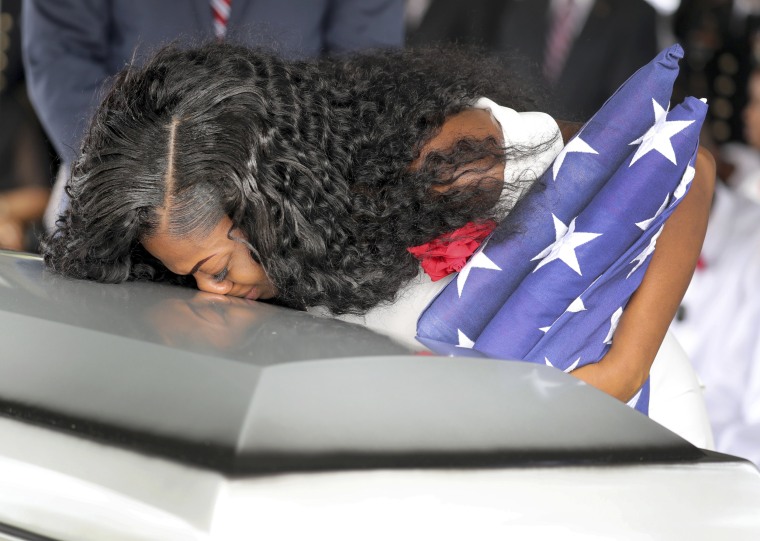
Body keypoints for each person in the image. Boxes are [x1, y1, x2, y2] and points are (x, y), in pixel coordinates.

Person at [42, 42, 715, 426]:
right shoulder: (266, 262)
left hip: (626, 405)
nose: (209, 293)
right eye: (185, 275)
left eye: (217, 264)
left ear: (275, 204)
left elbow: (688, 162)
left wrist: (623, 367)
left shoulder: (444, 164)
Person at [22, 0, 405, 230]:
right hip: (126, 200)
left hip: (287, 206)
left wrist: (270, 189)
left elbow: (362, 77)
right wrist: (148, 180)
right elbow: (61, 63)